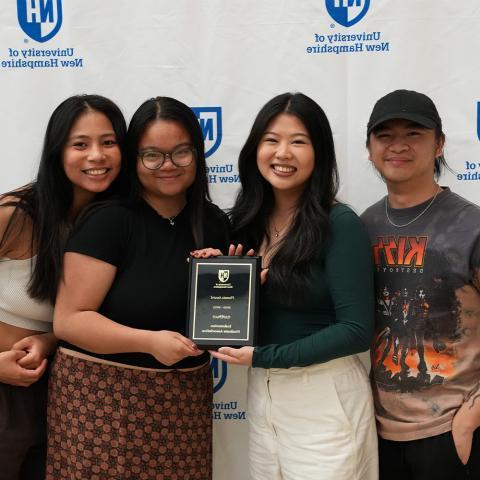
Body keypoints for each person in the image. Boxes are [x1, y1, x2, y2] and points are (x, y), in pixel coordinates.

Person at [46, 96, 229, 479]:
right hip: (100, 405)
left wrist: (243, 288)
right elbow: (69, 320)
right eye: (152, 155)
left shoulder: (213, 224)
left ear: (198, 154)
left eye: (181, 152)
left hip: (184, 405)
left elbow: (219, 323)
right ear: (135, 159)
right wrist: (148, 341)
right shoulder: (110, 220)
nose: (168, 165)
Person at [208, 92, 378, 480]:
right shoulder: (245, 224)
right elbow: (235, 318)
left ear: (319, 153)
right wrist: (213, 277)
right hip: (263, 396)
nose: (283, 152)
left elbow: (355, 332)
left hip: (323, 398)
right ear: (255, 149)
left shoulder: (340, 224)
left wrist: (265, 357)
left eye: (298, 141)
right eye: (271, 140)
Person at [0, 94, 127, 480]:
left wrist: (49, 340)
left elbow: (79, 317)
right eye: (80, 144)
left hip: (66, 394)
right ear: (57, 150)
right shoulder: (15, 215)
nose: (96, 156)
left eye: (108, 142)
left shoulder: (119, 223)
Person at [361, 89, 480, 479]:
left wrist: (472, 417)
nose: (398, 146)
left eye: (413, 134)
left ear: (439, 143)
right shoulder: (363, 226)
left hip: (452, 430)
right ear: (369, 148)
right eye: (385, 136)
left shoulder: (470, 226)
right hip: (377, 433)